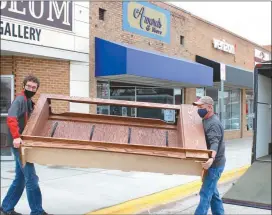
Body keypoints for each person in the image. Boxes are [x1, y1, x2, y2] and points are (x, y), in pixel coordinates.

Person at [0, 75, 48, 215]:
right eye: (29, 86)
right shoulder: (20, 99)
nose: (31, 89)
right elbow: (11, 118)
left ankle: (6, 208)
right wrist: (16, 137)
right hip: (18, 145)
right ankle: (37, 212)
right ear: (23, 86)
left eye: (34, 87)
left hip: (24, 144)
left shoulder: (29, 101)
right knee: (31, 179)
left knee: (20, 179)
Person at [192, 96, 226, 215]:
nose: (199, 109)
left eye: (201, 107)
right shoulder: (205, 120)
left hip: (215, 165)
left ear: (210, 107)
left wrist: (211, 158)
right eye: (198, 107)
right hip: (211, 164)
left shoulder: (213, 124)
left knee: (205, 193)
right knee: (213, 194)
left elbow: (214, 143)